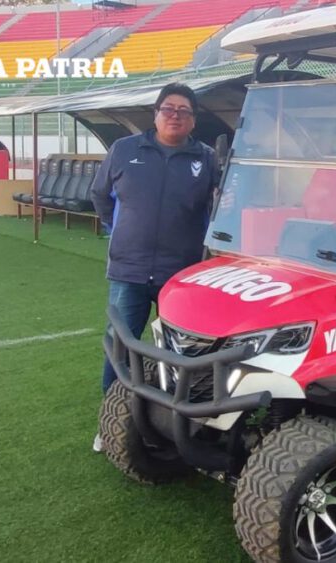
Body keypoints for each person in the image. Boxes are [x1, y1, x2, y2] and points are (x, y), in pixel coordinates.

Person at [90, 82, 218, 451]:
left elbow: (223, 204)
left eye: (184, 111)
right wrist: (119, 231)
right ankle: (111, 422)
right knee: (120, 346)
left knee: (182, 352)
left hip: (180, 275)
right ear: (156, 113)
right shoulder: (124, 150)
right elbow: (100, 196)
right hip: (128, 271)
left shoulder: (206, 158)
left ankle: (180, 425)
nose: (175, 115)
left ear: (193, 121)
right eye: (168, 108)